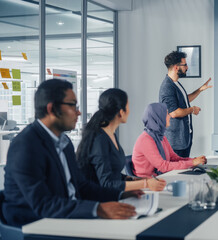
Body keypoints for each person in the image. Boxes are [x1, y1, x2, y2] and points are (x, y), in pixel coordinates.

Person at [2, 79, 142, 228]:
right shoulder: (26, 145)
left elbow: (82, 186)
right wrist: (98, 209)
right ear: (52, 109)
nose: (78, 112)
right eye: (73, 105)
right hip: (36, 225)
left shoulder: (64, 142)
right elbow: (43, 204)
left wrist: (120, 195)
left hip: (66, 216)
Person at [76, 89, 166, 192]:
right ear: (121, 112)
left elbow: (113, 174)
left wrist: (136, 180)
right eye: (128, 106)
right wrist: (145, 184)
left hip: (111, 196)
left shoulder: (111, 134)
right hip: (100, 201)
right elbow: (106, 183)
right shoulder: (100, 139)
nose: (129, 111)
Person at [159, 51, 212, 157]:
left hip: (184, 139)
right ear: (175, 67)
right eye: (185, 65)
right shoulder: (167, 86)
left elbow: (184, 100)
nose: (187, 67)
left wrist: (200, 89)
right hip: (175, 142)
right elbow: (173, 112)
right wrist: (192, 109)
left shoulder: (175, 83)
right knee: (177, 172)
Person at [132, 103, 207, 178]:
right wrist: (192, 163)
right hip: (147, 183)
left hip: (159, 178)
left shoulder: (161, 137)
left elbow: (174, 158)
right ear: (159, 117)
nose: (170, 116)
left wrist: (194, 160)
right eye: (167, 114)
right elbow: (162, 166)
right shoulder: (146, 140)